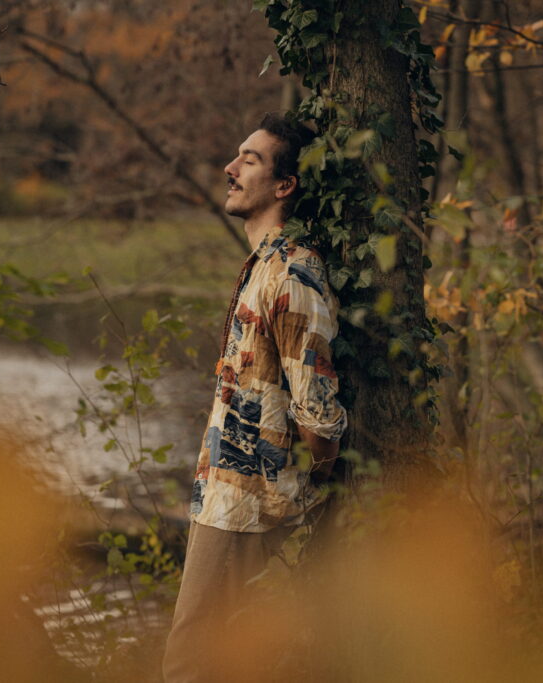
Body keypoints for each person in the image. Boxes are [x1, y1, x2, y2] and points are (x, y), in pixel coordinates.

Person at [162, 113, 348, 682]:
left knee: (191, 666)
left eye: (250, 159)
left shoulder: (293, 273)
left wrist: (291, 500)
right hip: (225, 500)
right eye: (236, 156)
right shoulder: (263, 267)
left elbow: (320, 417)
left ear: (284, 185)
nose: (230, 168)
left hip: (250, 512)